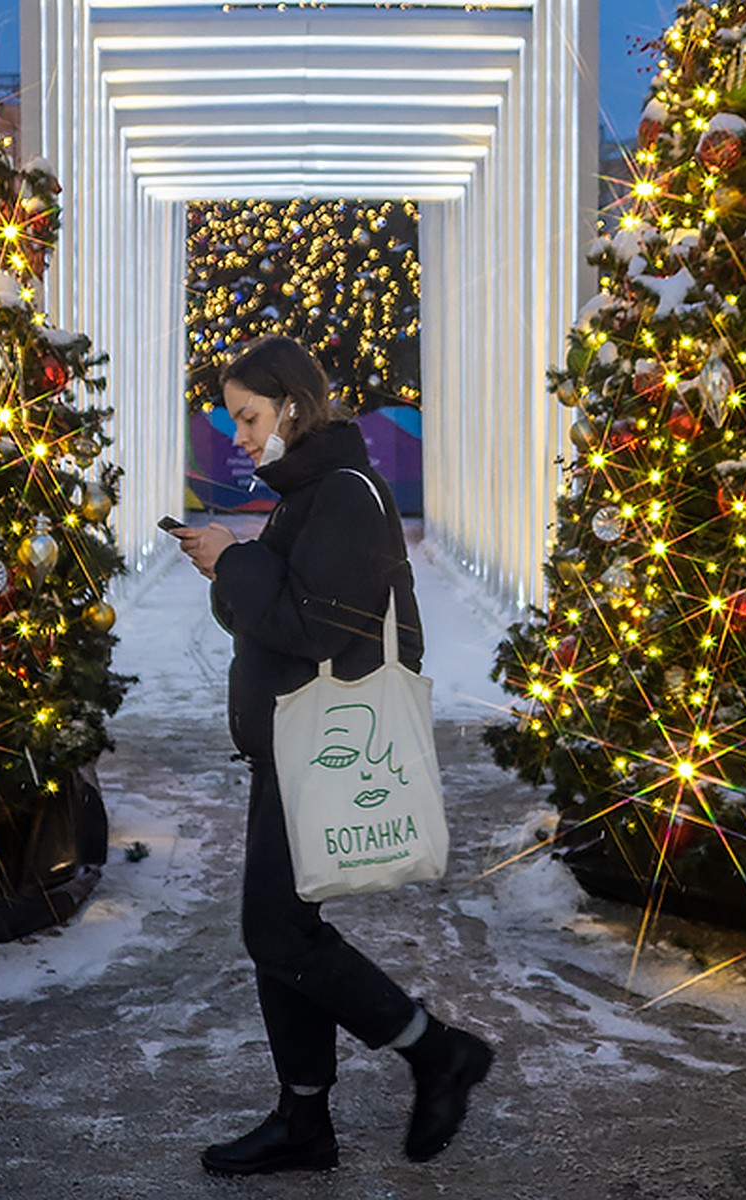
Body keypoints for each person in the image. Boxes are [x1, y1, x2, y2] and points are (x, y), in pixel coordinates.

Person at [172, 334, 493, 1176]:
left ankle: (435, 1052)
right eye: (231, 419)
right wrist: (229, 569)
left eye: (247, 416)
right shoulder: (305, 491)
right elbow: (278, 616)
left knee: (277, 932)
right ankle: (303, 1122)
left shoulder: (343, 494)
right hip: (292, 741)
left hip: (324, 745)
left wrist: (237, 562)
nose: (237, 435)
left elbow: (320, 629)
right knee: (284, 930)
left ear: (292, 405)